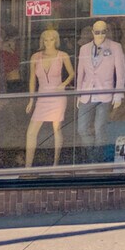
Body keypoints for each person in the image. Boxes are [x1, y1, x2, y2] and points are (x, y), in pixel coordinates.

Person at [73, 20, 125, 165]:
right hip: (87, 92)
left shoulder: (115, 47)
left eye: (103, 31)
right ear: (92, 32)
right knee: (82, 128)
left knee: (99, 128)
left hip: (105, 93)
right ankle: (93, 157)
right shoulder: (84, 49)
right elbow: (80, 72)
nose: (101, 35)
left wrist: (118, 95)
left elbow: (121, 72)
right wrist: (78, 94)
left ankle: (96, 162)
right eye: (97, 32)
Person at [25, 27, 73, 167]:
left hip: (57, 96)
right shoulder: (36, 57)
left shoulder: (62, 55)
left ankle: (55, 164)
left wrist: (63, 84)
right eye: (45, 40)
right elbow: (32, 80)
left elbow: (71, 73)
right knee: (31, 131)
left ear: (56, 41)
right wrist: (31, 99)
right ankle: (28, 167)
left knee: (56, 129)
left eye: (51, 40)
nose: (48, 42)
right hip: (42, 96)